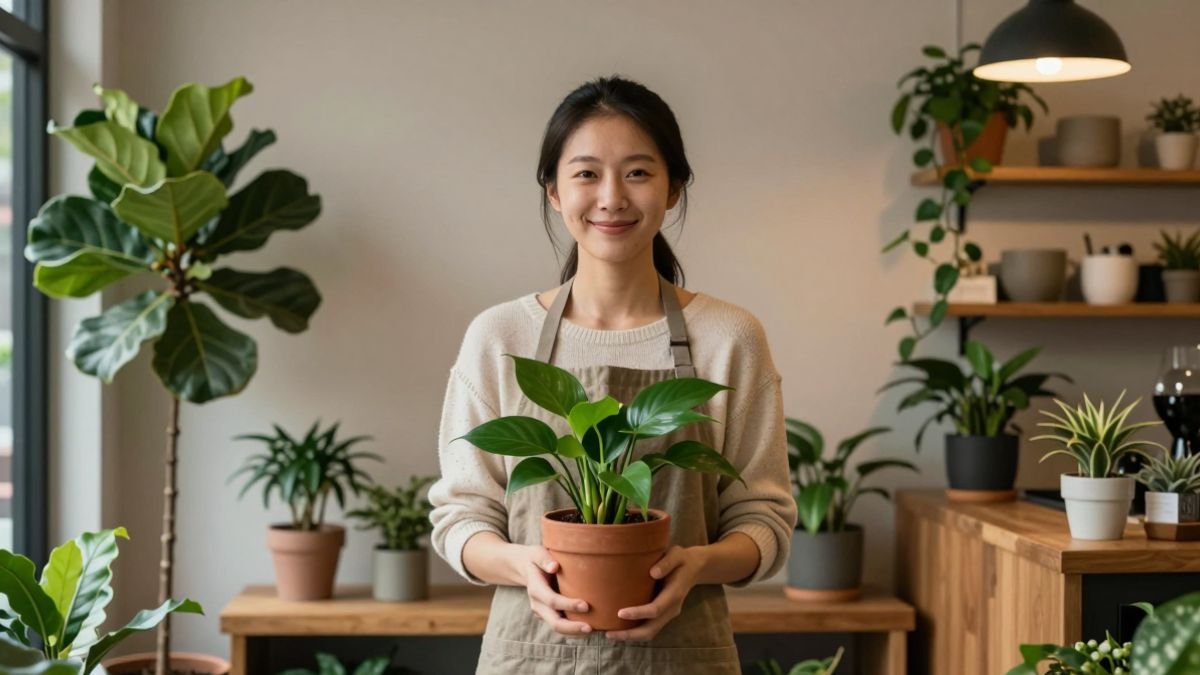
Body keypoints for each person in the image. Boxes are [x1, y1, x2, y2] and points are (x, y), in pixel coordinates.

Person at [429, 75, 796, 675]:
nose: (611, 198)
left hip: (684, 657)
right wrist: (525, 567)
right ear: (552, 190)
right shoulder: (499, 337)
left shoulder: (730, 337)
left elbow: (765, 518)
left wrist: (695, 566)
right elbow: (462, 516)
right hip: (530, 655)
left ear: (674, 187)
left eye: (637, 172)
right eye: (585, 173)